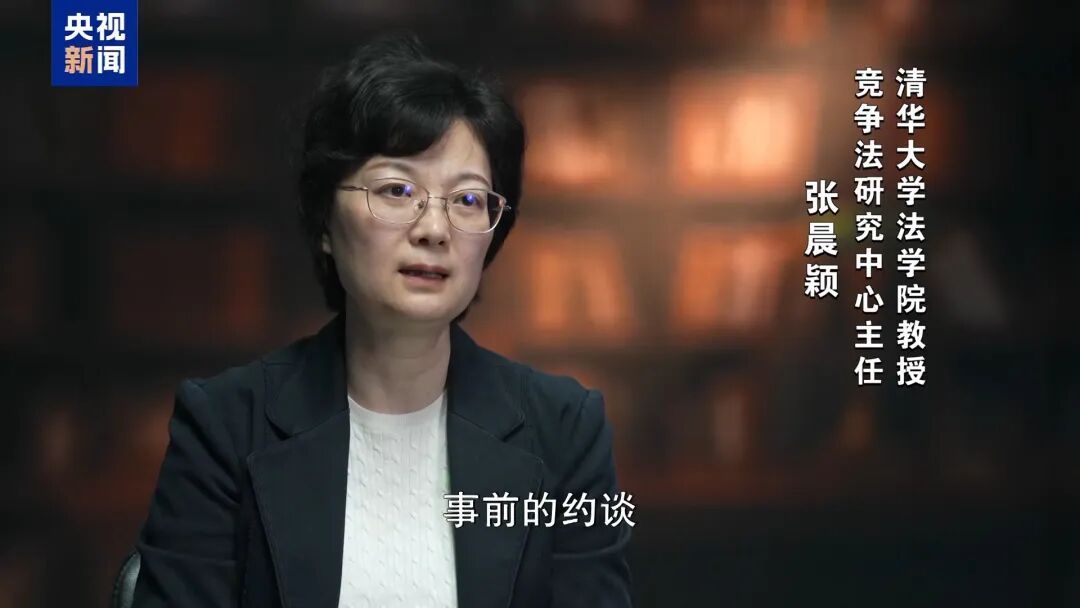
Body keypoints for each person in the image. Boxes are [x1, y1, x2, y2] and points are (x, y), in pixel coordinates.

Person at [131, 32, 632, 607]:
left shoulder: (563, 430)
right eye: (397, 189)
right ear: (325, 220)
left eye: (468, 200)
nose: (434, 229)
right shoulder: (225, 425)